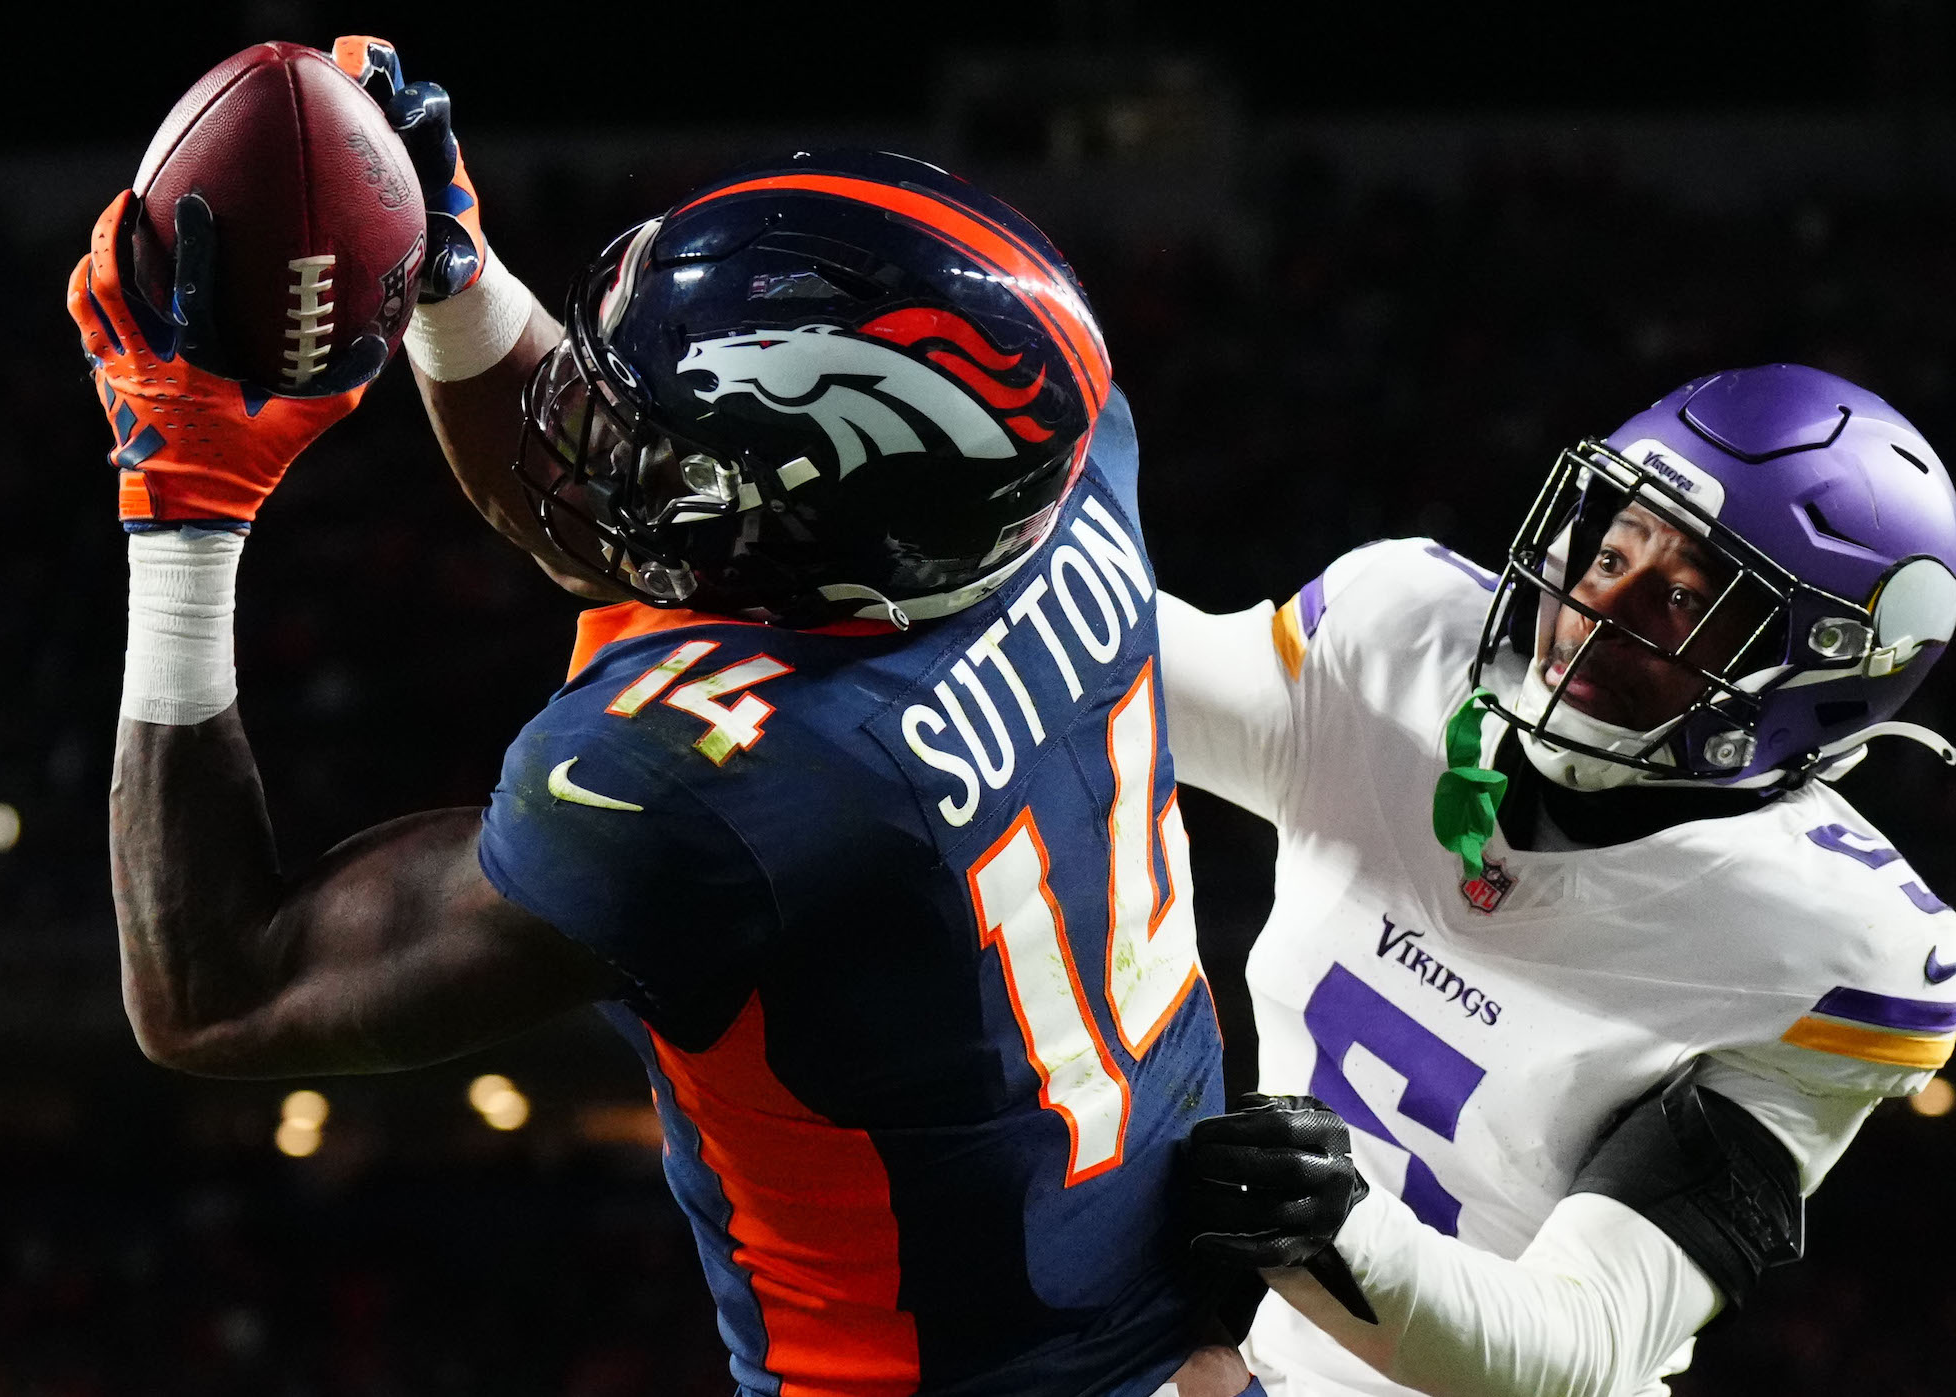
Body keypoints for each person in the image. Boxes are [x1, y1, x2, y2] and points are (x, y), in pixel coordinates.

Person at [70, 36, 1253, 1396]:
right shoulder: (1062, 449)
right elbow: (656, 525)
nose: (595, 423)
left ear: (801, 529)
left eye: (654, 433)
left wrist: (187, 514)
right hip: (1171, 1320)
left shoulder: (730, 780)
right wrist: (451, 275)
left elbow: (220, 989)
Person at [1158, 365, 1956, 1397]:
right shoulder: (1404, 642)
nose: (1598, 606)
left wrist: (1332, 1227)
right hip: (1251, 1358)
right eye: (1613, 547)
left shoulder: (1825, 944)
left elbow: (1572, 1349)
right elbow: (1096, 666)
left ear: (1818, 678)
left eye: (1681, 597)